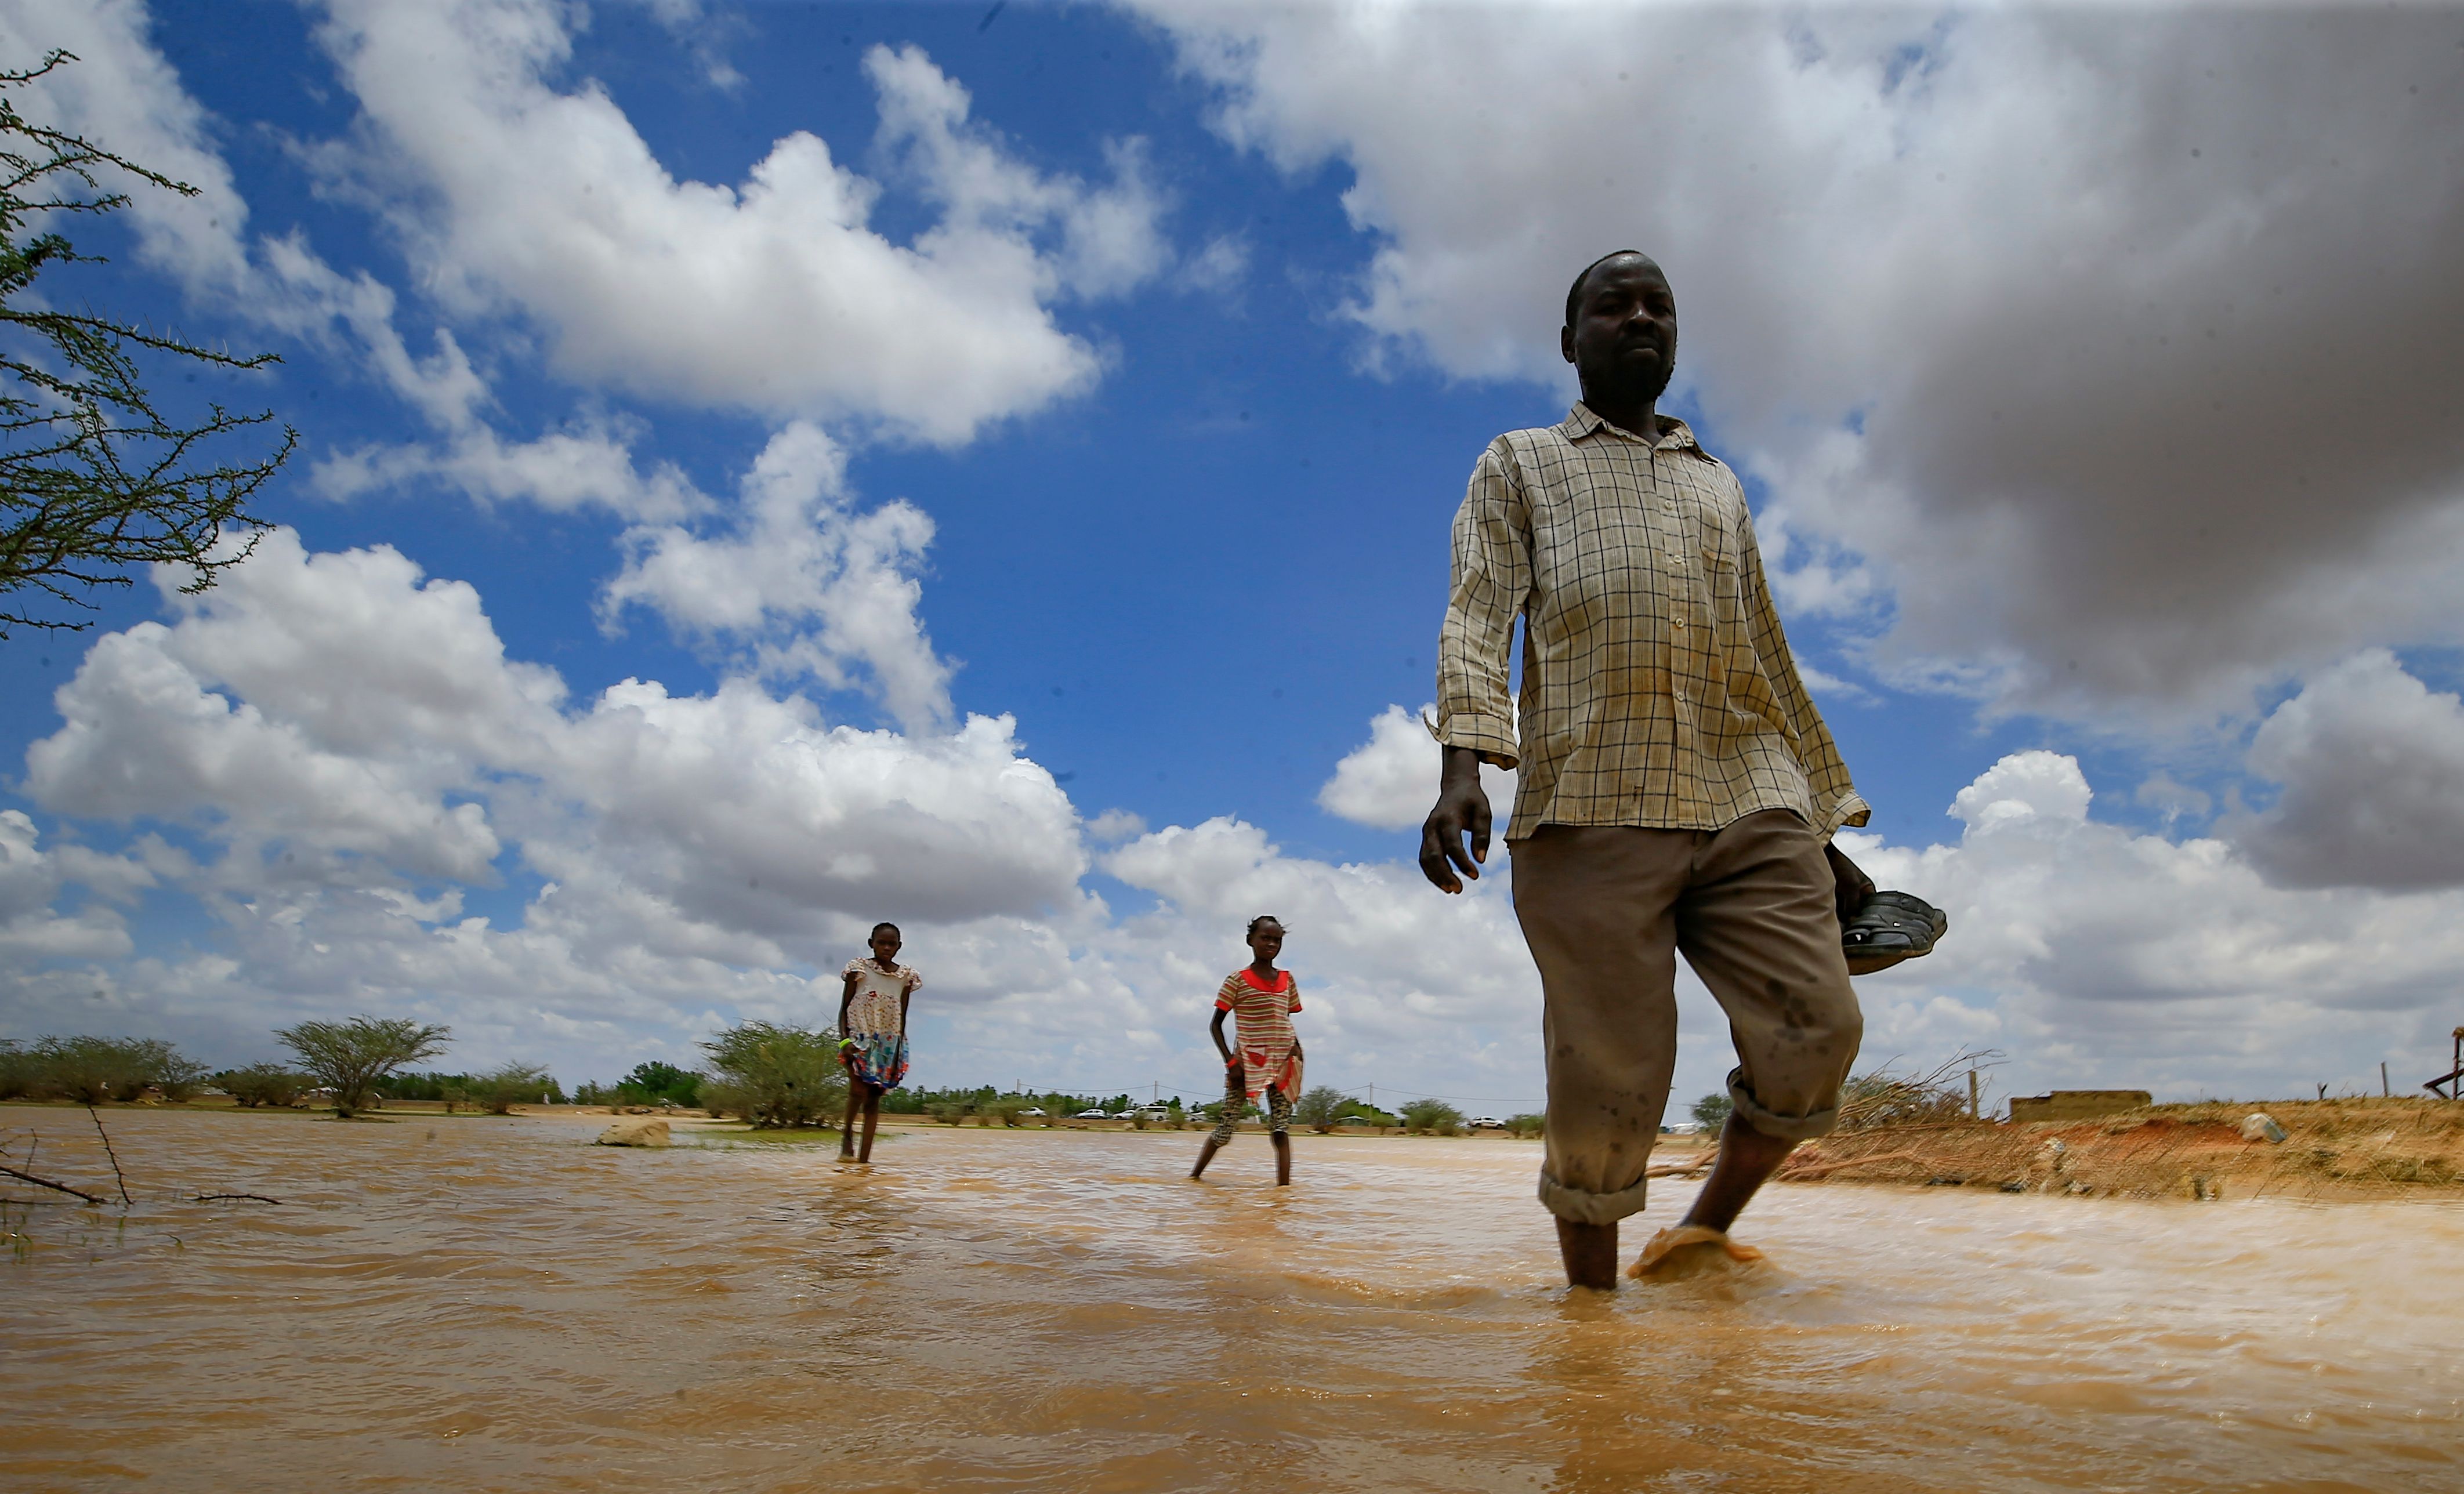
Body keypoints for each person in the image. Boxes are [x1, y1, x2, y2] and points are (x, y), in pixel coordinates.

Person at [1420, 250, 1869, 1289]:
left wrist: (1817, 819)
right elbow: (1477, 613)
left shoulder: (1719, 485)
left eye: (1657, 306)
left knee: (1819, 1025)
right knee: (1606, 1082)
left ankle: (1699, 1230)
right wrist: (1462, 767)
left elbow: (1762, 645)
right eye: (1610, 305)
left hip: (1744, 786)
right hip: (1589, 799)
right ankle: (1592, 1330)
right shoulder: (1520, 461)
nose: (1638, 318)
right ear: (1568, 338)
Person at [1190, 916, 1306, 1186]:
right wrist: (1231, 1063)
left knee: (1280, 1128)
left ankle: (1283, 1193)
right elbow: (1216, 1025)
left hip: (1283, 1061)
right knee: (1225, 1128)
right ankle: (1193, 1179)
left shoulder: (1287, 980)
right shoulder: (1237, 980)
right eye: (1265, 938)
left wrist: (1297, 1052)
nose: (1271, 944)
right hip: (1247, 1062)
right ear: (1250, 941)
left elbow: (1283, 1020)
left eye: (1276, 940)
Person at [836, 922, 921, 1163]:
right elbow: (843, 1009)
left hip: (888, 1043)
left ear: (899, 946)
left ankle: (864, 1162)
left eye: (891, 944)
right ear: (871, 944)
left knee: (874, 1099)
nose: (886, 948)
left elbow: (902, 1016)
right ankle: (847, 1136)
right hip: (858, 1038)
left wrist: (897, 1053)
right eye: (881, 943)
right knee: (857, 1090)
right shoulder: (858, 970)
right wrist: (844, 1041)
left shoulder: (906, 977)